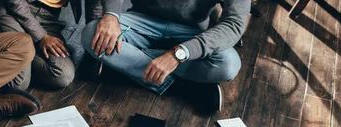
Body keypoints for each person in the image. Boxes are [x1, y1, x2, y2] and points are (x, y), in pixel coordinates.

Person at [81, 0, 250, 113]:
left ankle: (124, 68)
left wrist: (179, 54)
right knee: (90, 34)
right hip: (140, 22)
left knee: (228, 64)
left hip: (190, 34)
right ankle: (182, 87)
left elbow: (234, 24)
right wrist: (111, 16)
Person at [0, 0, 102, 90]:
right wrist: (41, 37)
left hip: (48, 18)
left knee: (62, 76)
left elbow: (94, 3)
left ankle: (9, 47)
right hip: (11, 13)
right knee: (18, 84)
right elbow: (14, 2)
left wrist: (94, 39)